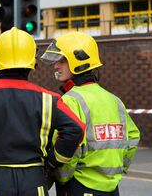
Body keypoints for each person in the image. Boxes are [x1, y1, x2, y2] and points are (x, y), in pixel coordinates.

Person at [0, 27, 85, 196]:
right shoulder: (50, 99)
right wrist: (52, 163)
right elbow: (76, 129)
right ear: (32, 63)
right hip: (34, 181)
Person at [40, 31, 141, 196]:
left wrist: (60, 178)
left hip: (79, 187)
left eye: (62, 60)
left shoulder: (70, 101)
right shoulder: (114, 100)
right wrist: (118, 169)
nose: (56, 66)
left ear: (78, 61)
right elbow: (133, 136)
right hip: (112, 189)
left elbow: (67, 148)